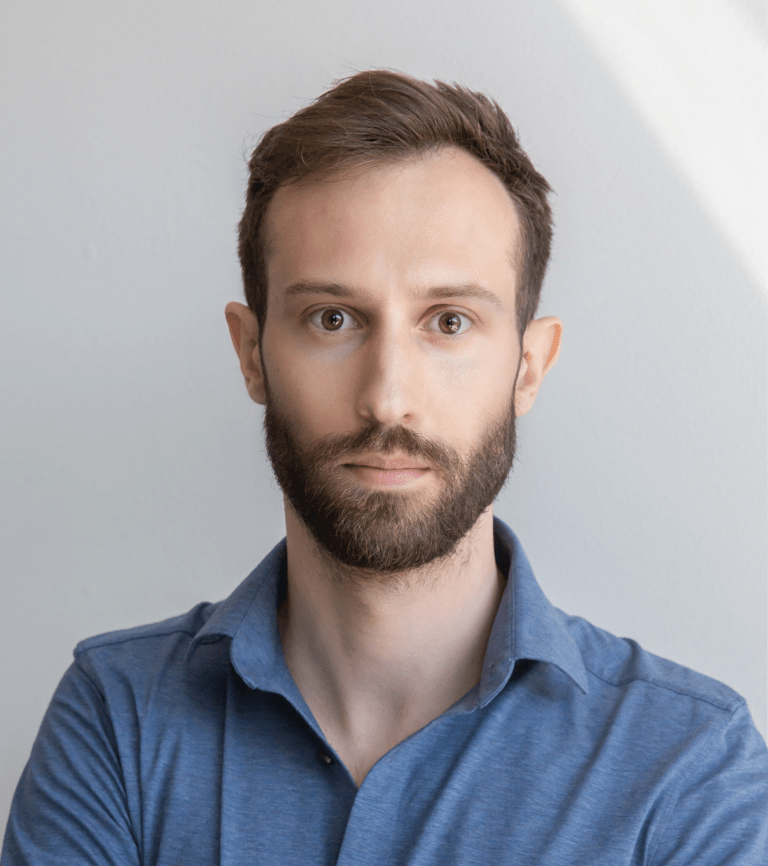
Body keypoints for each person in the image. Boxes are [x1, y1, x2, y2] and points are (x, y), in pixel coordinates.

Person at [2, 69, 766, 866]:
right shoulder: (119, 717)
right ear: (251, 353)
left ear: (529, 366)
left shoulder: (690, 771)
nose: (388, 399)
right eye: (332, 319)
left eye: (449, 322)